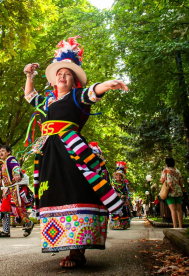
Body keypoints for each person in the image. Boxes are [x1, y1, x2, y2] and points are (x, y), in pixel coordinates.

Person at [23, 37, 127, 268]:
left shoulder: (76, 97)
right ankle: (62, 241)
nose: (62, 76)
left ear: (73, 82)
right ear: (53, 80)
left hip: (72, 152)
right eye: (59, 73)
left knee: (75, 190)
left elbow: (93, 92)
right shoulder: (47, 101)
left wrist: (107, 84)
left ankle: (77, 252)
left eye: (67, 74)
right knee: (54, 194)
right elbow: (29, 96)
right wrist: (29, 76)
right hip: (50, 153)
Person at [0, 145, 34, 238]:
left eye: (3, 150)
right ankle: (6, 230)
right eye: (0, 151)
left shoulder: (11, 159)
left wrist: (16, 173)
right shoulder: (5, 161)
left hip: (15, 188)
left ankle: (29, 223)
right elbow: (2, 162)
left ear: (9, 152)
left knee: (18, 208)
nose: (1, 152)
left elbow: (15, 165)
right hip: (8, 189)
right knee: (4, 208)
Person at [160, 157, 183, 228]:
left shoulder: (165, 171)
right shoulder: (177, 171)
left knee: (173, 210)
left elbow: (162, 180)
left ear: (167, 163)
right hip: (178, 191)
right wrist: (181, 189)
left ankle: (175, 226)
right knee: (179, 209)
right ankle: (181, 226)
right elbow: (180, 181)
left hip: (170, 191)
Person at [110, 162, 132, 229]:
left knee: (123, 212)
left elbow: (126, 192)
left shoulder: (124, 184)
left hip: (123, 201)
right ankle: (116, 225)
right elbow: (112, 191)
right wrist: (119, 195)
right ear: (115, 176)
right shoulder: (113, 184)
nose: (118, 177)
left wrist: (126, 198)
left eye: (120, 175)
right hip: (116, 200)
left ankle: (124, 225)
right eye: (117, 175)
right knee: (116, 212)